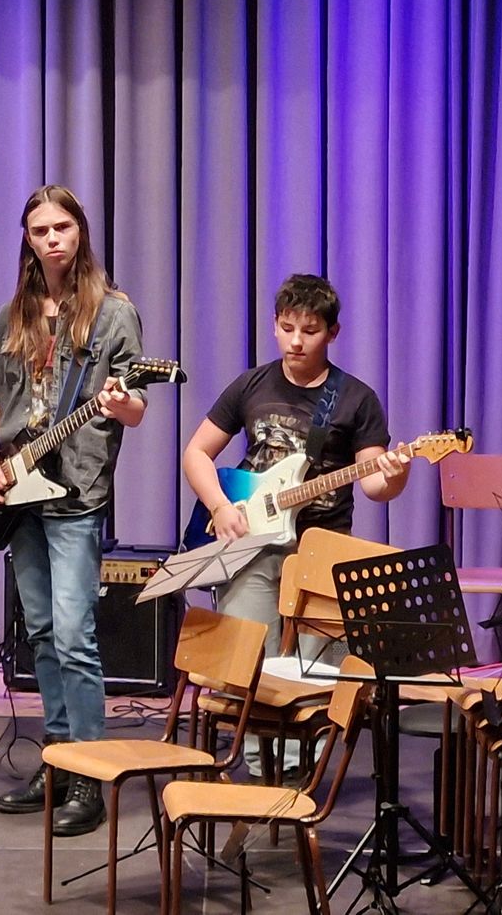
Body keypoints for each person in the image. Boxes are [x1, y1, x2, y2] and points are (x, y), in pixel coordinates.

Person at [0, 185, 146, 837]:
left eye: (62, 227)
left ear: (80, 232)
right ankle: (58, 756)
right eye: (40, 229)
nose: (52, 238)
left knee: (74, 634)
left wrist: (122, 401)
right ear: (28, 237)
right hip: (21, 486)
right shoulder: (13, 314)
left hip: (77, 490)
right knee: (41, 631)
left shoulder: (113, 314)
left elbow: (136, 408)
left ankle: (91, 773)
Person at [182, 273, 410, 773]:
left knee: (317, 670)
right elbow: (196, 452)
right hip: (252, 541)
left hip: (323, 548)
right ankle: (260, 765)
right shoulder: (251, 385)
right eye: (287, 329)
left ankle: (301, 768)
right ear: (275, 325)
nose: (296, 341)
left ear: (333, 332)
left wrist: (397, 474)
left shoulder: (356, 399)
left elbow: (375, 484)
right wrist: (220, 506)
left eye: (309, 331)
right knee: (248, 655)